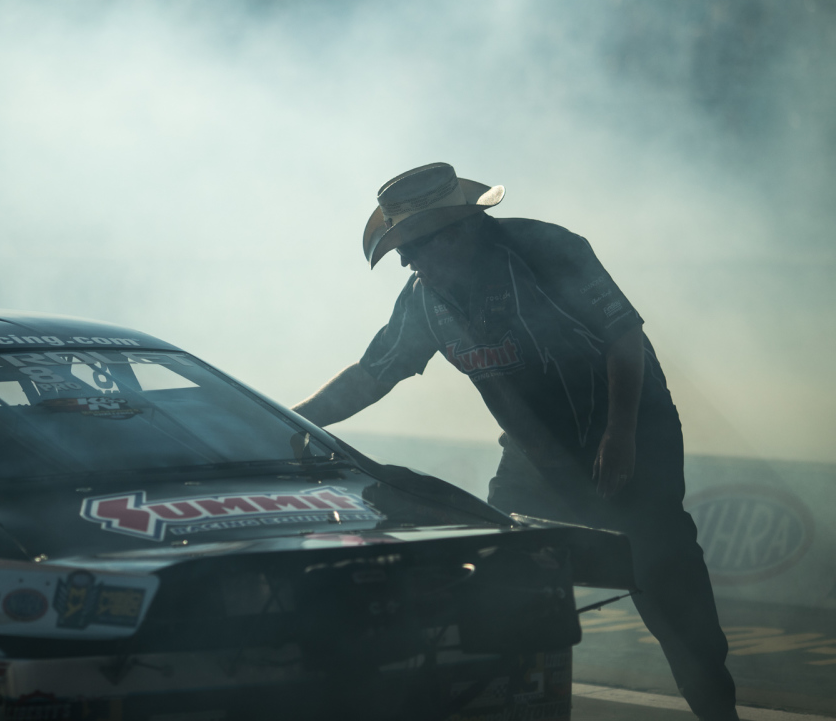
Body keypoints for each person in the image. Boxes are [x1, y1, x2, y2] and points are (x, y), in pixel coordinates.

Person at [292, 162, 738, 721]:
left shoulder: (548, 250)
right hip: (532, 457)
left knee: (665, 584)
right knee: (497, 584)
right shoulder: (423, 297)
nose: (406, 260)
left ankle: (719, 712)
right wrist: (293, 420)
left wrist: (619, 434)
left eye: (415, 246)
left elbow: (623, 336)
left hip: (631, 441)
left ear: (460, 231)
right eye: (400, 247)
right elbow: (373, 372)